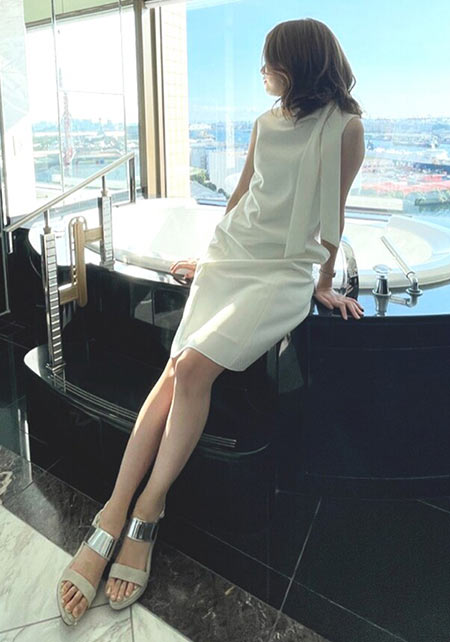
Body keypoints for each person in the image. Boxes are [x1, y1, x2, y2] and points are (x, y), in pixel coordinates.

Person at [57, 16, 365, 625]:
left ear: (297, 66)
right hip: (233, 256)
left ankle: (147, 510)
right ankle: (112, 512)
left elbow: (334, 213)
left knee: (194, 368)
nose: (263, 72)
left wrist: (324, 284)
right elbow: (242, 195)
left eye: (270, 62)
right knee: (174, 370)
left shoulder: (345, 128)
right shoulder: (265, 123)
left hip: (282, 273)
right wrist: (210, 255)